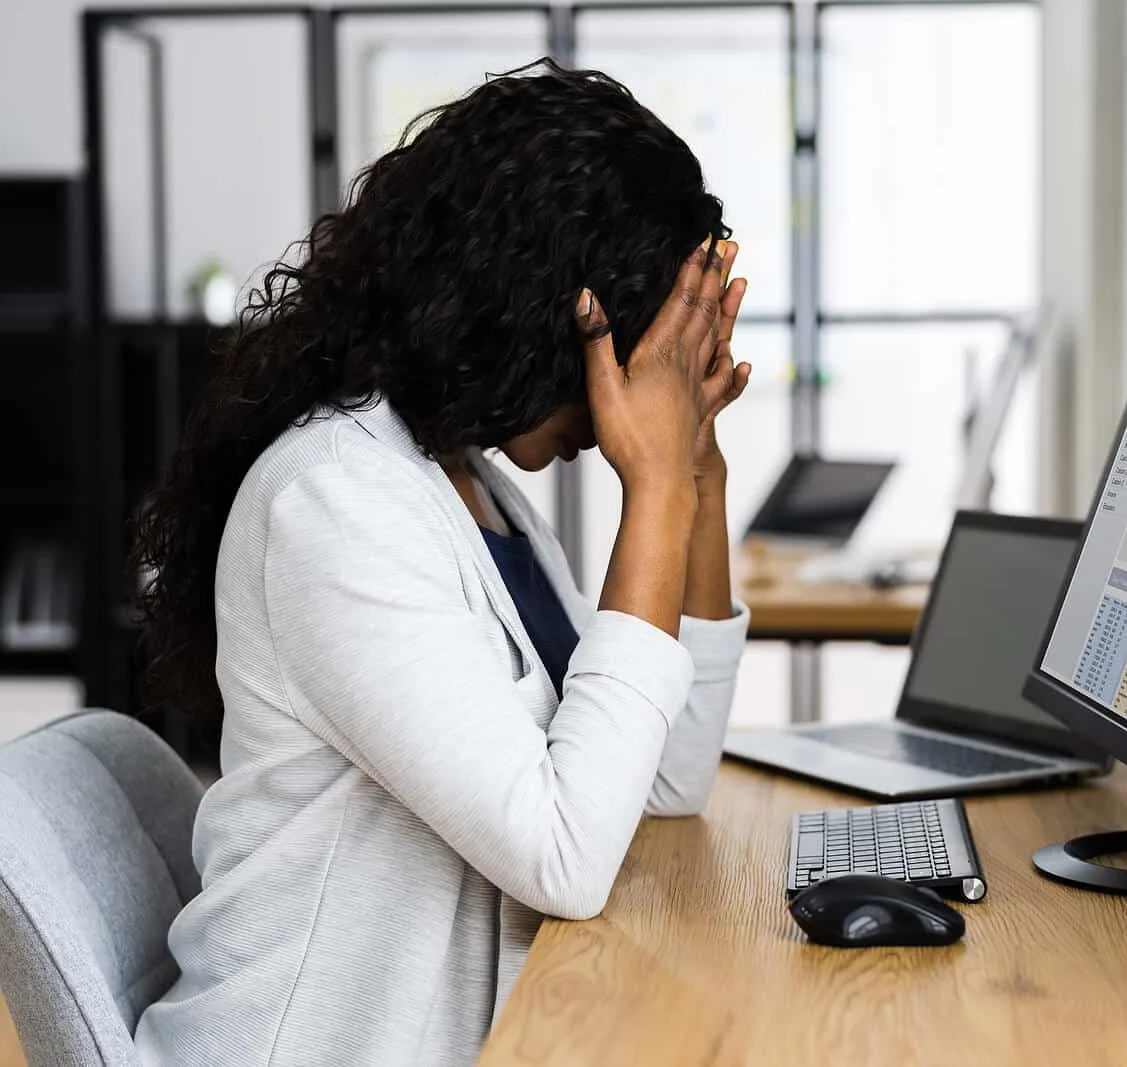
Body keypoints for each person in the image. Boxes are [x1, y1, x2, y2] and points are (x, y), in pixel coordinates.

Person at [128, 62, 752, 1064]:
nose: (634, 399)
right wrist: (656, 488)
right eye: (641, 355)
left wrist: (697, 470)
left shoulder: (477, 490)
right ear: (553, 316)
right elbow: (563, 854)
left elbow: (665, 775)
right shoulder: (334, 500)